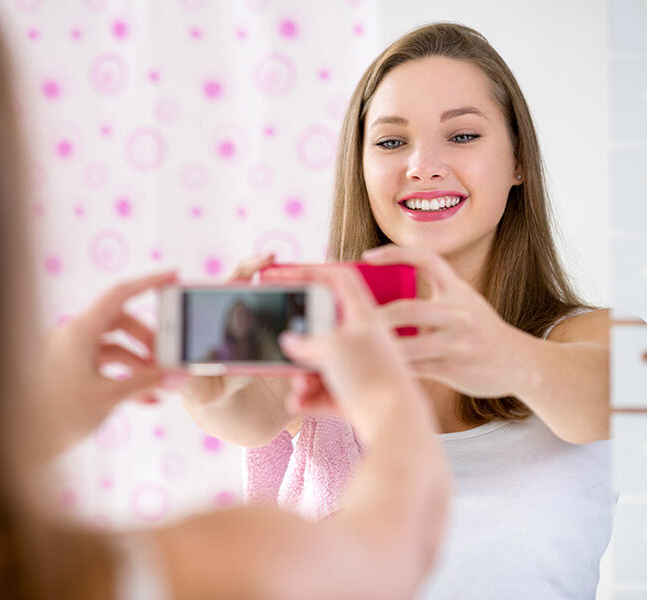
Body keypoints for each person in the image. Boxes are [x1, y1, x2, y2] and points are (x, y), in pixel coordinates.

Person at [0, 1, 450, 599]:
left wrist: (26, 426)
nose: (424, 167)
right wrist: (385, 396)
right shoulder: (137, 571)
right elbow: (395, 547)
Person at [181, 23, 613, 598]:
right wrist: (213, 381)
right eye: (390, 142)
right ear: (361, 168)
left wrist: (506, 358)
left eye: (462, 136)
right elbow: (248, 416)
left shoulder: (594, 336)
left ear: (518, 163)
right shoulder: (325, 335)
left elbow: (614, 391)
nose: (422, 165)